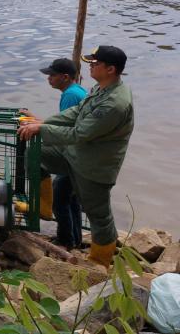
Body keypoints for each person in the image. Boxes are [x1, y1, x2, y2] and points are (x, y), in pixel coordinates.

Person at [18, 46, 134, 267]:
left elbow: (80, 133)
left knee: (98, 214)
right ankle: (43, 206)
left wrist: (41, 130)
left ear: (110, 69)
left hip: (94, 166)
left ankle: (99, 263)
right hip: (76, 155)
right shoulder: (100, 89)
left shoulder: (114, 103)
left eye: (94, 63)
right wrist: (44, 122)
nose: (90, 66)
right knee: (37, 152)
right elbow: (77, 112)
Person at [22, 58, 87, 249]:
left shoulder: (70, 95)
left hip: (75, 154)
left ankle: (65, 240)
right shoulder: (77, 91)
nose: (48, 79)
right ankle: (76, 240)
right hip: (81, 154)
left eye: (52, 75)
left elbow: (67, 131)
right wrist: (36, 120)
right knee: (69, 198)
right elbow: (63, 122)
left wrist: (38, 128)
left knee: (60, 197)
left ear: (65, 77)